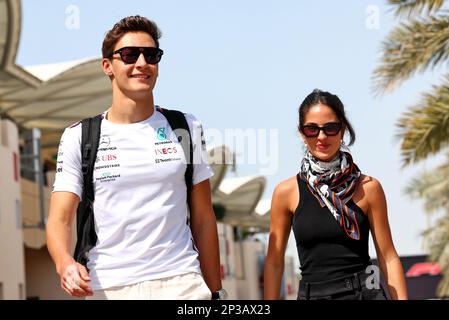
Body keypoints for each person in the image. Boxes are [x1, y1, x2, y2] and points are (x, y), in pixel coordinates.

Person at [46, 15, 225, 300]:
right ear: (108, 66)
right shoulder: (79, 136)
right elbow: (60, 218)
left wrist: (215, 292)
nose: (142, 63)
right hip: (109, 285)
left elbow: (203, 217)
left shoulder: (185, 127)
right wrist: (64, 263)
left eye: (151, 55)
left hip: (180, 282)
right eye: (129, 55)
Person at [264, 89, 408, 300]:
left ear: (342, 130)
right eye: (312, 129)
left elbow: (387, 256)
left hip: (364, 293)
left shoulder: (368, 188)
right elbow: (274, 262)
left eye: (330, 128)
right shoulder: (286, 193)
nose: (321, 136)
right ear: (302, 133)